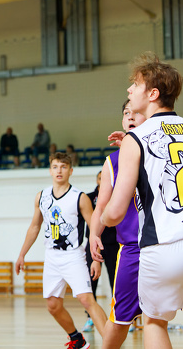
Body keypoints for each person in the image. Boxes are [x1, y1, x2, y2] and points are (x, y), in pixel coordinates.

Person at [101, 53, 183, 349]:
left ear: (153, 94)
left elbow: (115, 212)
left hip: (162, 246)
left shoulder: (135, 139)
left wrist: (103, 218)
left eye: (135, 84)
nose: (129, 89)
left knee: (154, 322)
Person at [15, 152, 107, 348]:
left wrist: (96, 259)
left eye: (64, 167)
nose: (59, 171)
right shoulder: (42, 196)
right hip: (51, 256)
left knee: (87, 300)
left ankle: (111, 343)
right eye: (55, 167)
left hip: (74, 256)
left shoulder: (80, 198)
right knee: (53, 305)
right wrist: (22, 254)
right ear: (50, 171)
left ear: (70, 171)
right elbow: (34, 227)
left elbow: (95, 229)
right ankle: (77, 339)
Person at [89, 100, 146, 348]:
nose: (130, 116)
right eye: (126, 113)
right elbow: (101, 206)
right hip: (132, 248)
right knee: (120, 319)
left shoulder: (158, 151)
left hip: (166, 243)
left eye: (136, 112)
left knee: (156, 318)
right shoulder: (112, 161)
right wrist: (94, 234)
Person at [81, 170, 117, 334]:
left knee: (115, 281)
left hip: (113, 244)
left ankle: (118, 316)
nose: (103, 181)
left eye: (105, 178)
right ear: (97, 181)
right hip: (93, 244)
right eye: (100, 178)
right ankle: (90, 317)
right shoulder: (88, 198)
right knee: (90, 281)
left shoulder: (116, 196)